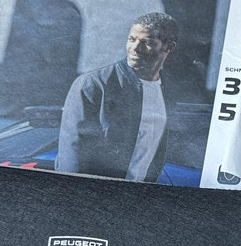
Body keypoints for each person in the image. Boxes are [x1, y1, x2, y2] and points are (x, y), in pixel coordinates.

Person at [55, 11, 179, 180]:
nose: (135, 48)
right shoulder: (94, 84)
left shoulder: (167, 91)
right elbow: (73, 153)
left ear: (168, 47)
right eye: (132, 39)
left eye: (147, 42)